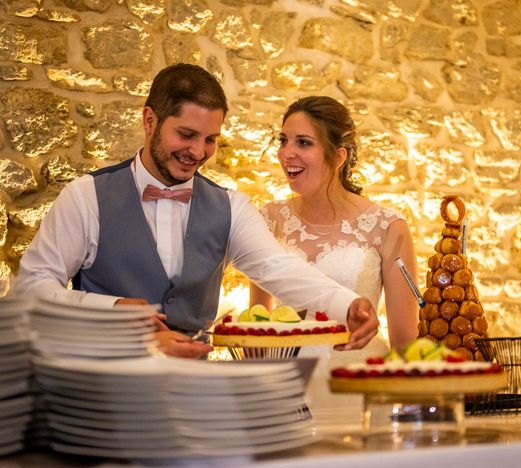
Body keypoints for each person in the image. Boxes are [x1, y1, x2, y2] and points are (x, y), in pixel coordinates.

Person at [11, 64, 379, 359]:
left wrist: (346, 304)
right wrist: (112, 309)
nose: (198, 151)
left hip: (193, 394)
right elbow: (31, 287)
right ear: (149, 121)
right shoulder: (85, 196)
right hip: (99, 388)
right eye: (186, 135)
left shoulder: (231, 206)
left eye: (210, 139)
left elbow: (277, 267)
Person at [250, 96, 419, 407]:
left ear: (338, 156)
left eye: (303, 142)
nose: (287, 153)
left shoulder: (388, 227)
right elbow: (257, 327)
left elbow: (405, 343)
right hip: (285, 391)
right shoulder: (267, 220)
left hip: (357, 387)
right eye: (283, 140)